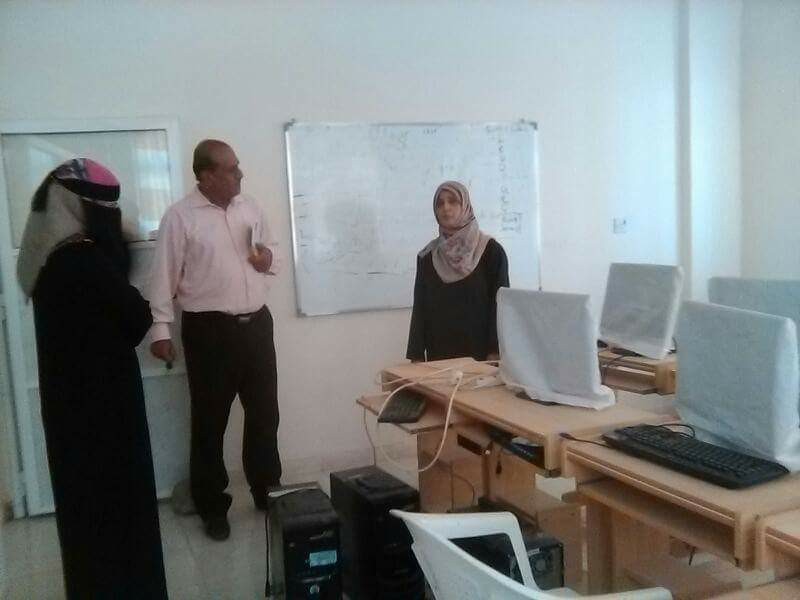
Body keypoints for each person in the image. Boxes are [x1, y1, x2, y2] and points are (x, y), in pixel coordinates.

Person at [16, 158, 167, 599]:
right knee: (118, 516)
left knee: (84, 514)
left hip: (71, 410)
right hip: (105, 412)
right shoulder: (82, 258)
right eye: (107, 211)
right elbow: (136, 318)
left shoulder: (50, 259)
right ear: (80, 208)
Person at [148, 139, 281, 541]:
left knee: (265, 414)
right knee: (210, 421)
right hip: (209, 332)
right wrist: (160, 330)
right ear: (206, 176)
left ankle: (266, 490)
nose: (240, 174)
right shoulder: (180, 217)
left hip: (257, 326)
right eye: (231, 168)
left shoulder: (250, 207)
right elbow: (162, 276)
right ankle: (211, 505)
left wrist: (267, 259)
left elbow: (272, 251)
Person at [406, 181, 509, 362]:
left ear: (465, 205)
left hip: (481, 358)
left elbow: (500, 306)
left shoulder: (491, 251)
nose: (446, 208)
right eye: (440, 203)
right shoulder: (427, 257)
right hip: (439, 360)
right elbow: (420, 309)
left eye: (453, 201)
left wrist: (495, 351)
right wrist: (416, 356)